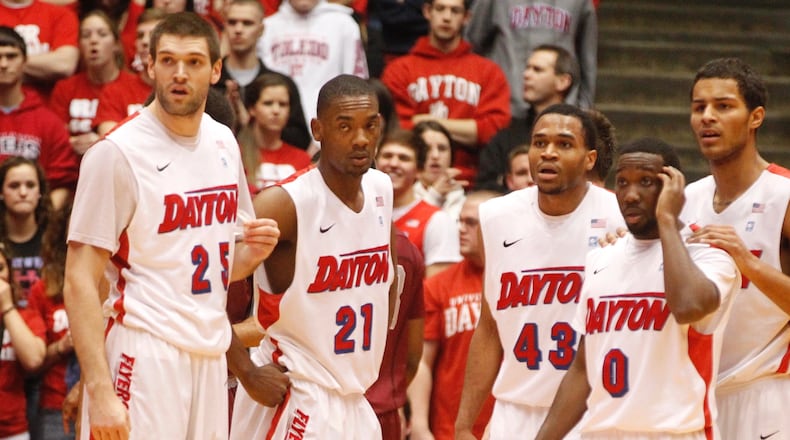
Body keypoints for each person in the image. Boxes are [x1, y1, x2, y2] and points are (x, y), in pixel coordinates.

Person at [63, 12, 283, 439]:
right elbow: (79, 281)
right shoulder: (116, 153)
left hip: (208, 354)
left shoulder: (223, 142)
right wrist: (100, 390)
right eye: (168, 60)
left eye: (195, 62)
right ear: (150, 66)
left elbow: (213, 269)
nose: (180, 73)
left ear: (216, 70)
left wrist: (249, 255)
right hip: (144, 351)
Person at [536, 138, 740, 439]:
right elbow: (581, 369)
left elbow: (688, 307)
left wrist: (668, 220)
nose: (631, 195)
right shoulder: (600, 257)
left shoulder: (707, 254)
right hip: (601, 433)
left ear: (674, 188)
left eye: (646, 181)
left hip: (674, 433)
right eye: (622, 182)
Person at [229, 74, 397, 439]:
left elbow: (388, 286)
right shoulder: (284, 204)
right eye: (344, 126)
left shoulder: (382, 188)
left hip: (354, 398)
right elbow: (197, 287)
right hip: (297, 394)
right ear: (317, 129)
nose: (361, 139)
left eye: (370, 126)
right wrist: (245, 370)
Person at [455, 104, 625, 439]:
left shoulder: (619, 217)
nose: (548, 153)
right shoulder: (496, 216)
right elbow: (489, 327)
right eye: (539, 142)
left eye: (564, 144)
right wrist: (463, 424)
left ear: (589, 159)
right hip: (513, 412)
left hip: (590, 414)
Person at [681, 57, 790, 439]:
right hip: (696, 400)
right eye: (699, 107)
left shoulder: (784, 195)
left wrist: (747, 262)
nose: (707, 117)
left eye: (723, 106)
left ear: (755, 117)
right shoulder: (686, 199)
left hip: (766, 397)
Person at [381, 0, 510, 184]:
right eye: (440, 9)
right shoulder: (399, 70)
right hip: (412, 180)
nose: (447, 17)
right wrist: (467, 129)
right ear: (427, 11)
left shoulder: (489, 72)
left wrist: (426, 121)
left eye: (455, 11)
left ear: (466, 17)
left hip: (469, 181)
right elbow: (396, 128)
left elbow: (493, 130)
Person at [408, 190, 499, 440]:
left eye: (471, 223)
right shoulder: (437, 286)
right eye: (460, 221)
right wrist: (419, 424)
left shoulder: (518, 283)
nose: (461, 229)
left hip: (507, 426)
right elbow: (423, 361)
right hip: (449, 429)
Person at [464, 0, 597, 119]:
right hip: (505, 107)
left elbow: (588, 60)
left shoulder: (581, 2)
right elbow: (472, 43)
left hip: (562, 108)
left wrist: (584, 109)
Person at [257, 0, 368, 135]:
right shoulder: (267, 27)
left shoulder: (344, 25)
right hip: (279, 128)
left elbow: (355, 85)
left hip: (330, 127)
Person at [475, 44, 576, 192]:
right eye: (527, 68)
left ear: (563, 81)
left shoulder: (581, 134)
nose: (526, 75)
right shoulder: (507, 134)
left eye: (537, 70)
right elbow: (485, 187)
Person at [0, 27, 80, 210]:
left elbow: (63, 183)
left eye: (11, 56)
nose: (3, 64)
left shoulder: (49, 123)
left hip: (37, 226)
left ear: (25, 61)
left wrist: (43, 225)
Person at [214, 0, 310, 149]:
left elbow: (301, 140)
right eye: (232, 22)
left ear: (261, 29)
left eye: (247, 23)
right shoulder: (211, 82)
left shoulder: (281, 84)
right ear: (224, 26)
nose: (238, 29)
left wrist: (258, 125)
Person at [49, 10, 139, 156]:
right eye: (86, 35)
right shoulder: (65, 88)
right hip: (74, 168)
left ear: (116, 44)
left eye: (102, 34)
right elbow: (55, 137)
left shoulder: (135, 86)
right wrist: (72, 142)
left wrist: (100, 143)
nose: (93, 41)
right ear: (79, 45)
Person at [376, 128, 462, 277]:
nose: (393, 163)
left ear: (419, 170)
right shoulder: (360, 213)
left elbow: (437, 290)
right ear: (376, 163)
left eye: (404, 158)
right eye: (387, 156)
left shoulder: (437, 220)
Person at [366, 230, 425, 440]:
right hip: (383, 410)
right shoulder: (407, 250)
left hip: (320, 404)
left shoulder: (315, 235)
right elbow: (413, 358)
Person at [28, 200, 77, 440]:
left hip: (104, 400)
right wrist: (62, 346)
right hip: (55, 407)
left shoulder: (116, 283)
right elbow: (32, 362)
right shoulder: (43, 289)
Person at [0, 244, 46, 440]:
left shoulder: (25, 316)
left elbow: (34, 359)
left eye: (0, 268)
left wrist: (7, 307)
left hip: (13, 431)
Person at [236, 73, 312, 192]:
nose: (276, 111)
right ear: (252, 109)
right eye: (268, 103)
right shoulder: (236, 154)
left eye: (282, 104)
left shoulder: (303, 159)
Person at [94, 8, 163, 135]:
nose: (145, 41)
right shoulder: (116, 90)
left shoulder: (180, 89)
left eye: (154, 35)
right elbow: (111, 141)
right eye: (140, 36)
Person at [0, 0, 79, 96]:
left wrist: (9, 70)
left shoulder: (61, 15)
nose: (5, 64)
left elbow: (64, 66)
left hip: (48, 106)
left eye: (11, 56)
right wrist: (43, 70)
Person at [412, 120, 466, 221]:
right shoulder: (402, 197)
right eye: (426, 149)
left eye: (442, 148)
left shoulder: (462, 200)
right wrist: (435, 194)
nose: (435, 155)